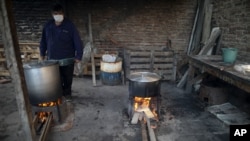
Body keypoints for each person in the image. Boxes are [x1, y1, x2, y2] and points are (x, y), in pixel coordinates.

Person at [39, 3, 83, 101]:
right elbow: (43, 41)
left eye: (59, 13)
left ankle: (67, 94)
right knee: (55, 80)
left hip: (67, 58)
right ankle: (58, 95)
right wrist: (42, 54)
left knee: (67, 79)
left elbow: (77, 40)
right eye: (55, 13)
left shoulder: (69, 25)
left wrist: (78, 56)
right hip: (52, 59)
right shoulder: (48, 26)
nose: (58, 15)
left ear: (63, 14)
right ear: (52, 14)